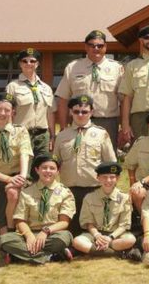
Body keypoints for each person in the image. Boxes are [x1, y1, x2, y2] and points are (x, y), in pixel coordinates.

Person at [53, 94, 117, 235]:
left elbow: (111, 164)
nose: (80, 115)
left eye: (85, 111)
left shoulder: (101, 134)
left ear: (92, 112)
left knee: (95, 227)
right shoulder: (62, 136)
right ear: (70, 112)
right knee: (72, 229)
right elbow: (54, 164)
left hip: (94, 189)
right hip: (69, 191)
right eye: (76, 111)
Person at [0, 154, 75, 264]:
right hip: (29, 232)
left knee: (63, 238)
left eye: (52, 168)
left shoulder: (65, 193)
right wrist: (29, 235)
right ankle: (51, 256)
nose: (48, 171)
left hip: (52, 234)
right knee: (5, 240)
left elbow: (64, 222)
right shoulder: (27, 192)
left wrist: (46, 232)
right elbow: (20, 220)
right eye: (44, 168)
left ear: (58, 171)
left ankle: (19, 256)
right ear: (37, 170)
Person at [55, 30, 123, 150]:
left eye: (100, 45)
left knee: (107, 161)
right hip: (79, 120)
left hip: (108, 122)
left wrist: (123, 127)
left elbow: (124, 101)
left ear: (105, 47)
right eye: (92, 45)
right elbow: (63, 98)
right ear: (86, 47)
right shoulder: (73, 67)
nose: (96, 48)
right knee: (80, 158)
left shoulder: (117, 68)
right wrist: (63, 126)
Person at [0, 92, 33, 234]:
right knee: (3, 229)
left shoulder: (21, 131)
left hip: (20, 177)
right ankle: (7, 229)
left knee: (15, 195)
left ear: (13, 112)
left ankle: (16, 227)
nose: (2, 113)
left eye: (7, 110)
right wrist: (9, 179)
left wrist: (21, 177)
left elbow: (24, 154)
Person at [72, 162, 136, 258]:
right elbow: (89, 223)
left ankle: (94, 250)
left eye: (112, 177)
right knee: (77, 241)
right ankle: (117, 253)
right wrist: (97, 235)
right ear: (98, 178)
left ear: (117, 179)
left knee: (131, 240)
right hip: (95, 233)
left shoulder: (124, 198)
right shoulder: (89, 197)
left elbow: (124, 225)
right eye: (104, 177)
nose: (108, 180)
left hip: (115, 235)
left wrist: (110, 238)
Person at [6, 48, 55, 155]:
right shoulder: (12, 87)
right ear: (20, 64)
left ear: (37, 64)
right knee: (23, 169)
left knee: (42, 169)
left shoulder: (46, 88)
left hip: (43, 137)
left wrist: (52, 136)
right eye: (25, 61)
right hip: (22, 134)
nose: (29, 63)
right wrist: (9, 134)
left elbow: (50, 113)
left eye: (32, 61)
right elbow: (9, 113)